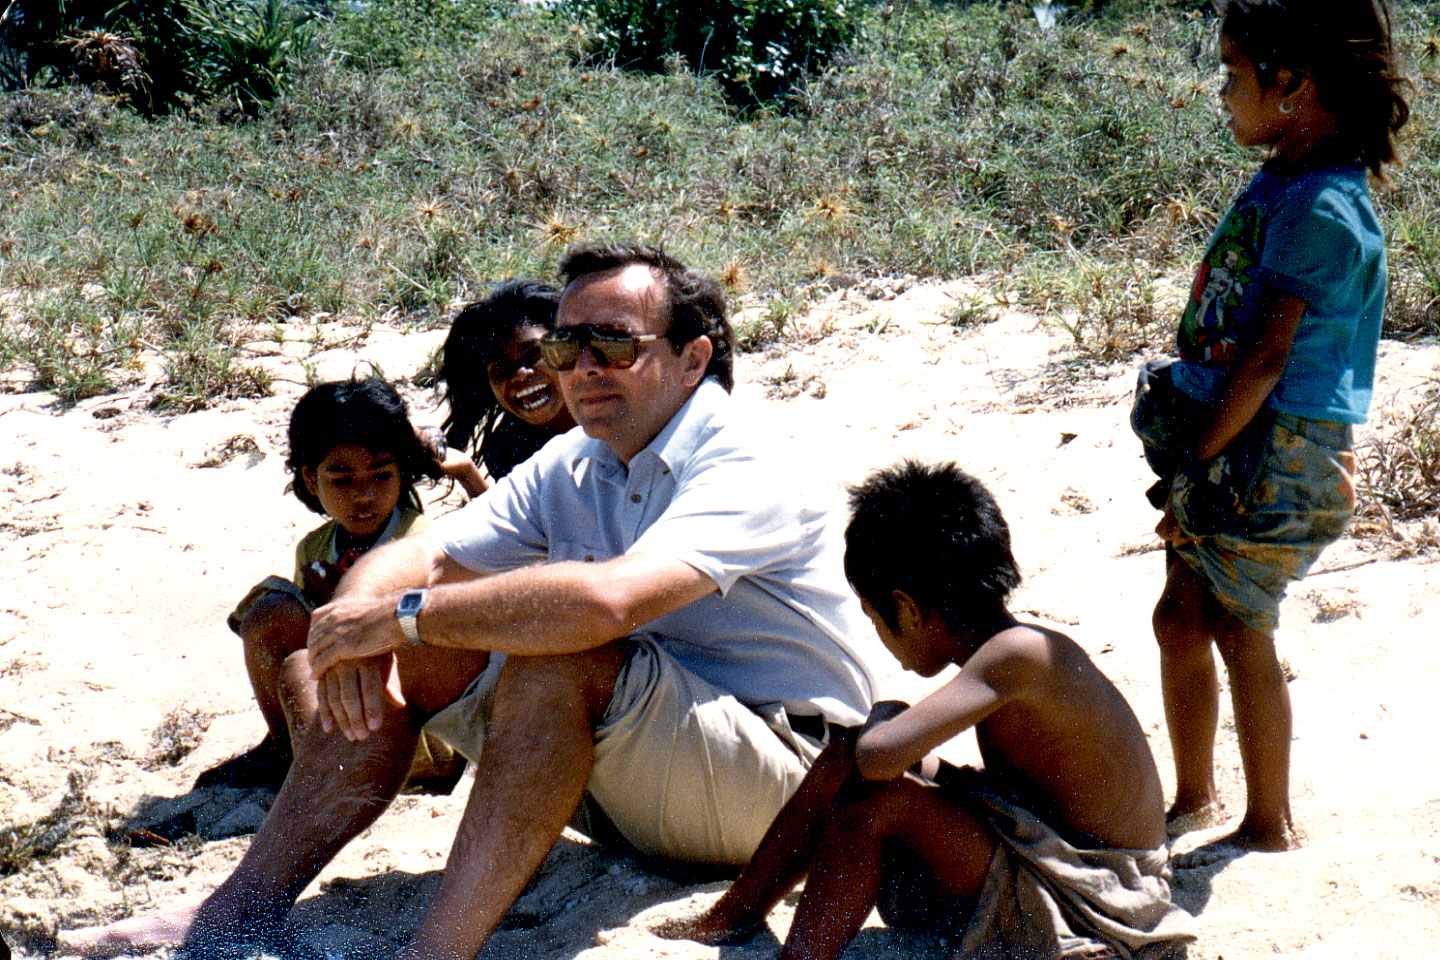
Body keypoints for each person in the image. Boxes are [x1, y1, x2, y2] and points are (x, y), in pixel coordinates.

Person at [60, 241, 878, 959]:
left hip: (789, 788)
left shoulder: (745, 460)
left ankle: (436, 952)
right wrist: (360, 626)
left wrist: (402, 613)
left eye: (613, 343)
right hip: (646, 785)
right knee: (413, 640)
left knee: (555, 655)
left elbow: (607, 604)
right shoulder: (582, 460)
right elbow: (426, 553)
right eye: (568, 342)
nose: (582, 366)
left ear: (693, 359)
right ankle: (236, 912)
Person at [665, 461, 1196, 960]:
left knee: (874, 799)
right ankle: (735, 913)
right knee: (843, 757)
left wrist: (885, 711)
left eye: (876, 617)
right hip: (1046, 844)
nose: (882, 635)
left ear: (909, 608)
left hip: (1104, 893)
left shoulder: (1017, 655)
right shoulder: (1009, 649)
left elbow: (879, 759)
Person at [1143, 0, 1409, 853]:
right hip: (1236, 437)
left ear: (1292, 85)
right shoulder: (1286, 182)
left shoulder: (1322, 209)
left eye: (1233, 75)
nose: (1221, 93)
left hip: (1274, 447)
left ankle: (1269, 820)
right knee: (1180, 616)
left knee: (1237, 622)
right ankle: (1193, 796)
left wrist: (1193, 463)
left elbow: (1265, 361)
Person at [194, 376, 444, 792]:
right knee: (272, 608)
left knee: (305, 656)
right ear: (312, 481)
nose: (363, 495)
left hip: (412, 725)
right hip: (343, 706)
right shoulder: (315, 548)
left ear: (402, 472)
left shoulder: (417, 541)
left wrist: (338, 600)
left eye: (381, 476)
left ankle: (317, 770)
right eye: (342, 480)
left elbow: (418, 650)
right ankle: (284, 748)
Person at [422, 278, 577, 497]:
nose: (521, 374)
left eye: (534, 354)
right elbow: (520, 525)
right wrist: (467, 473)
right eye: (501, 368)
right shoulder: (510, 449)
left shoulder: (615, 421)